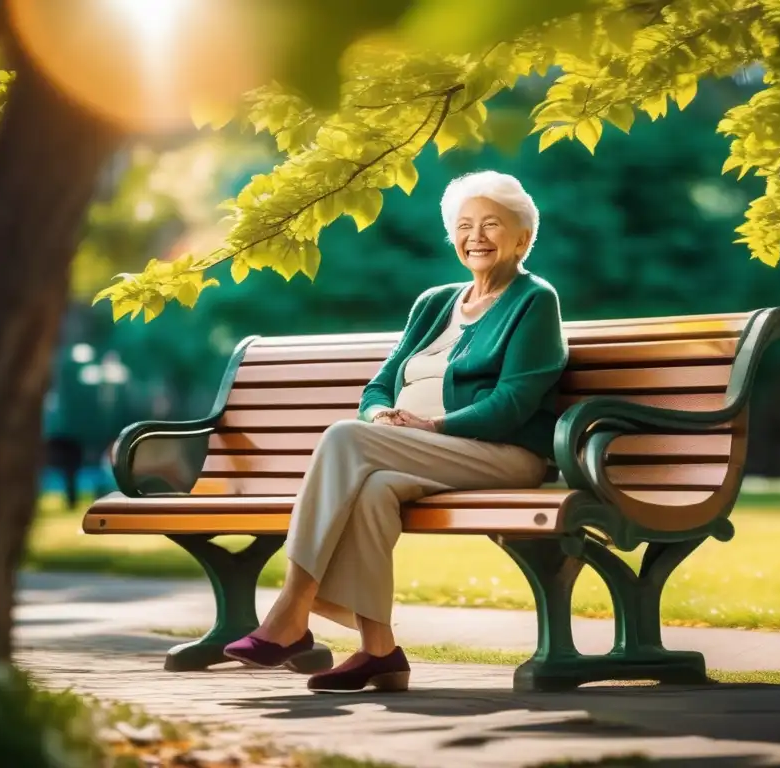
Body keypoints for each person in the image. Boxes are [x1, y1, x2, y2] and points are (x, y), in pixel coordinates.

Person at [224, 170, 568, 693]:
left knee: (344, 438)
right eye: (464, 225)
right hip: (418, 449)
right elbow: (378, 386)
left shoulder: (533, 301)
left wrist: (434, 424)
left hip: (501, 452)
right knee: (374, 488)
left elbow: (513, 402)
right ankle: (379, 652)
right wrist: (381, 416)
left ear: (523, 238)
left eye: (492, 224)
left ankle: (291, 612)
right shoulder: (434, 303)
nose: (475, 235)